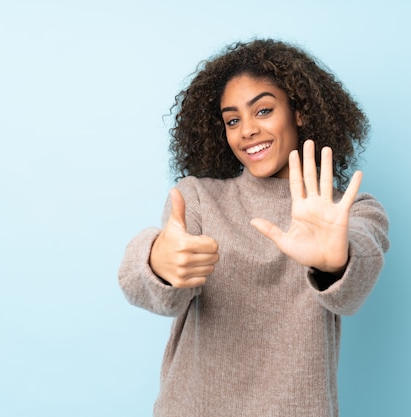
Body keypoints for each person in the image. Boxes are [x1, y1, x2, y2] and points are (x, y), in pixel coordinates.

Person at [118, 38, 390, 417]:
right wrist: (157, 263)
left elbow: (351, 290)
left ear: (299, 112)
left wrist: (336, 262)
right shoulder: (197, 198)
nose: (246, 130)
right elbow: (160, 294)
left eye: (262, 110)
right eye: (232, 120)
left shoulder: (349, 209)